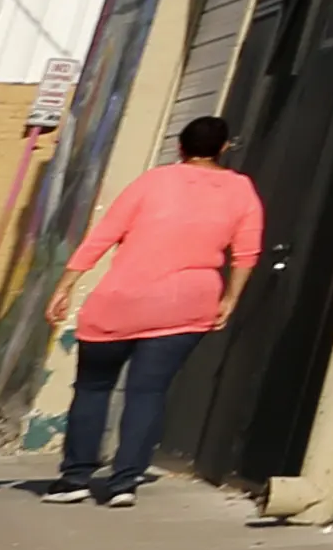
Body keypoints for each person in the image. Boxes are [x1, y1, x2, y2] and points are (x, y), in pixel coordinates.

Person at [40, 117, 260, 502]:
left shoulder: (152, 181)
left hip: (121, 302)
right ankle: (125, 482)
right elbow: (246, 253)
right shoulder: (241, 190)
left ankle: (75, 479)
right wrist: (230, 299)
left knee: (93, 387)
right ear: (224, 148)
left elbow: (104, 234)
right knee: (149, 392)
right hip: (189, 303)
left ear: (180, 147)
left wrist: (65, 285)